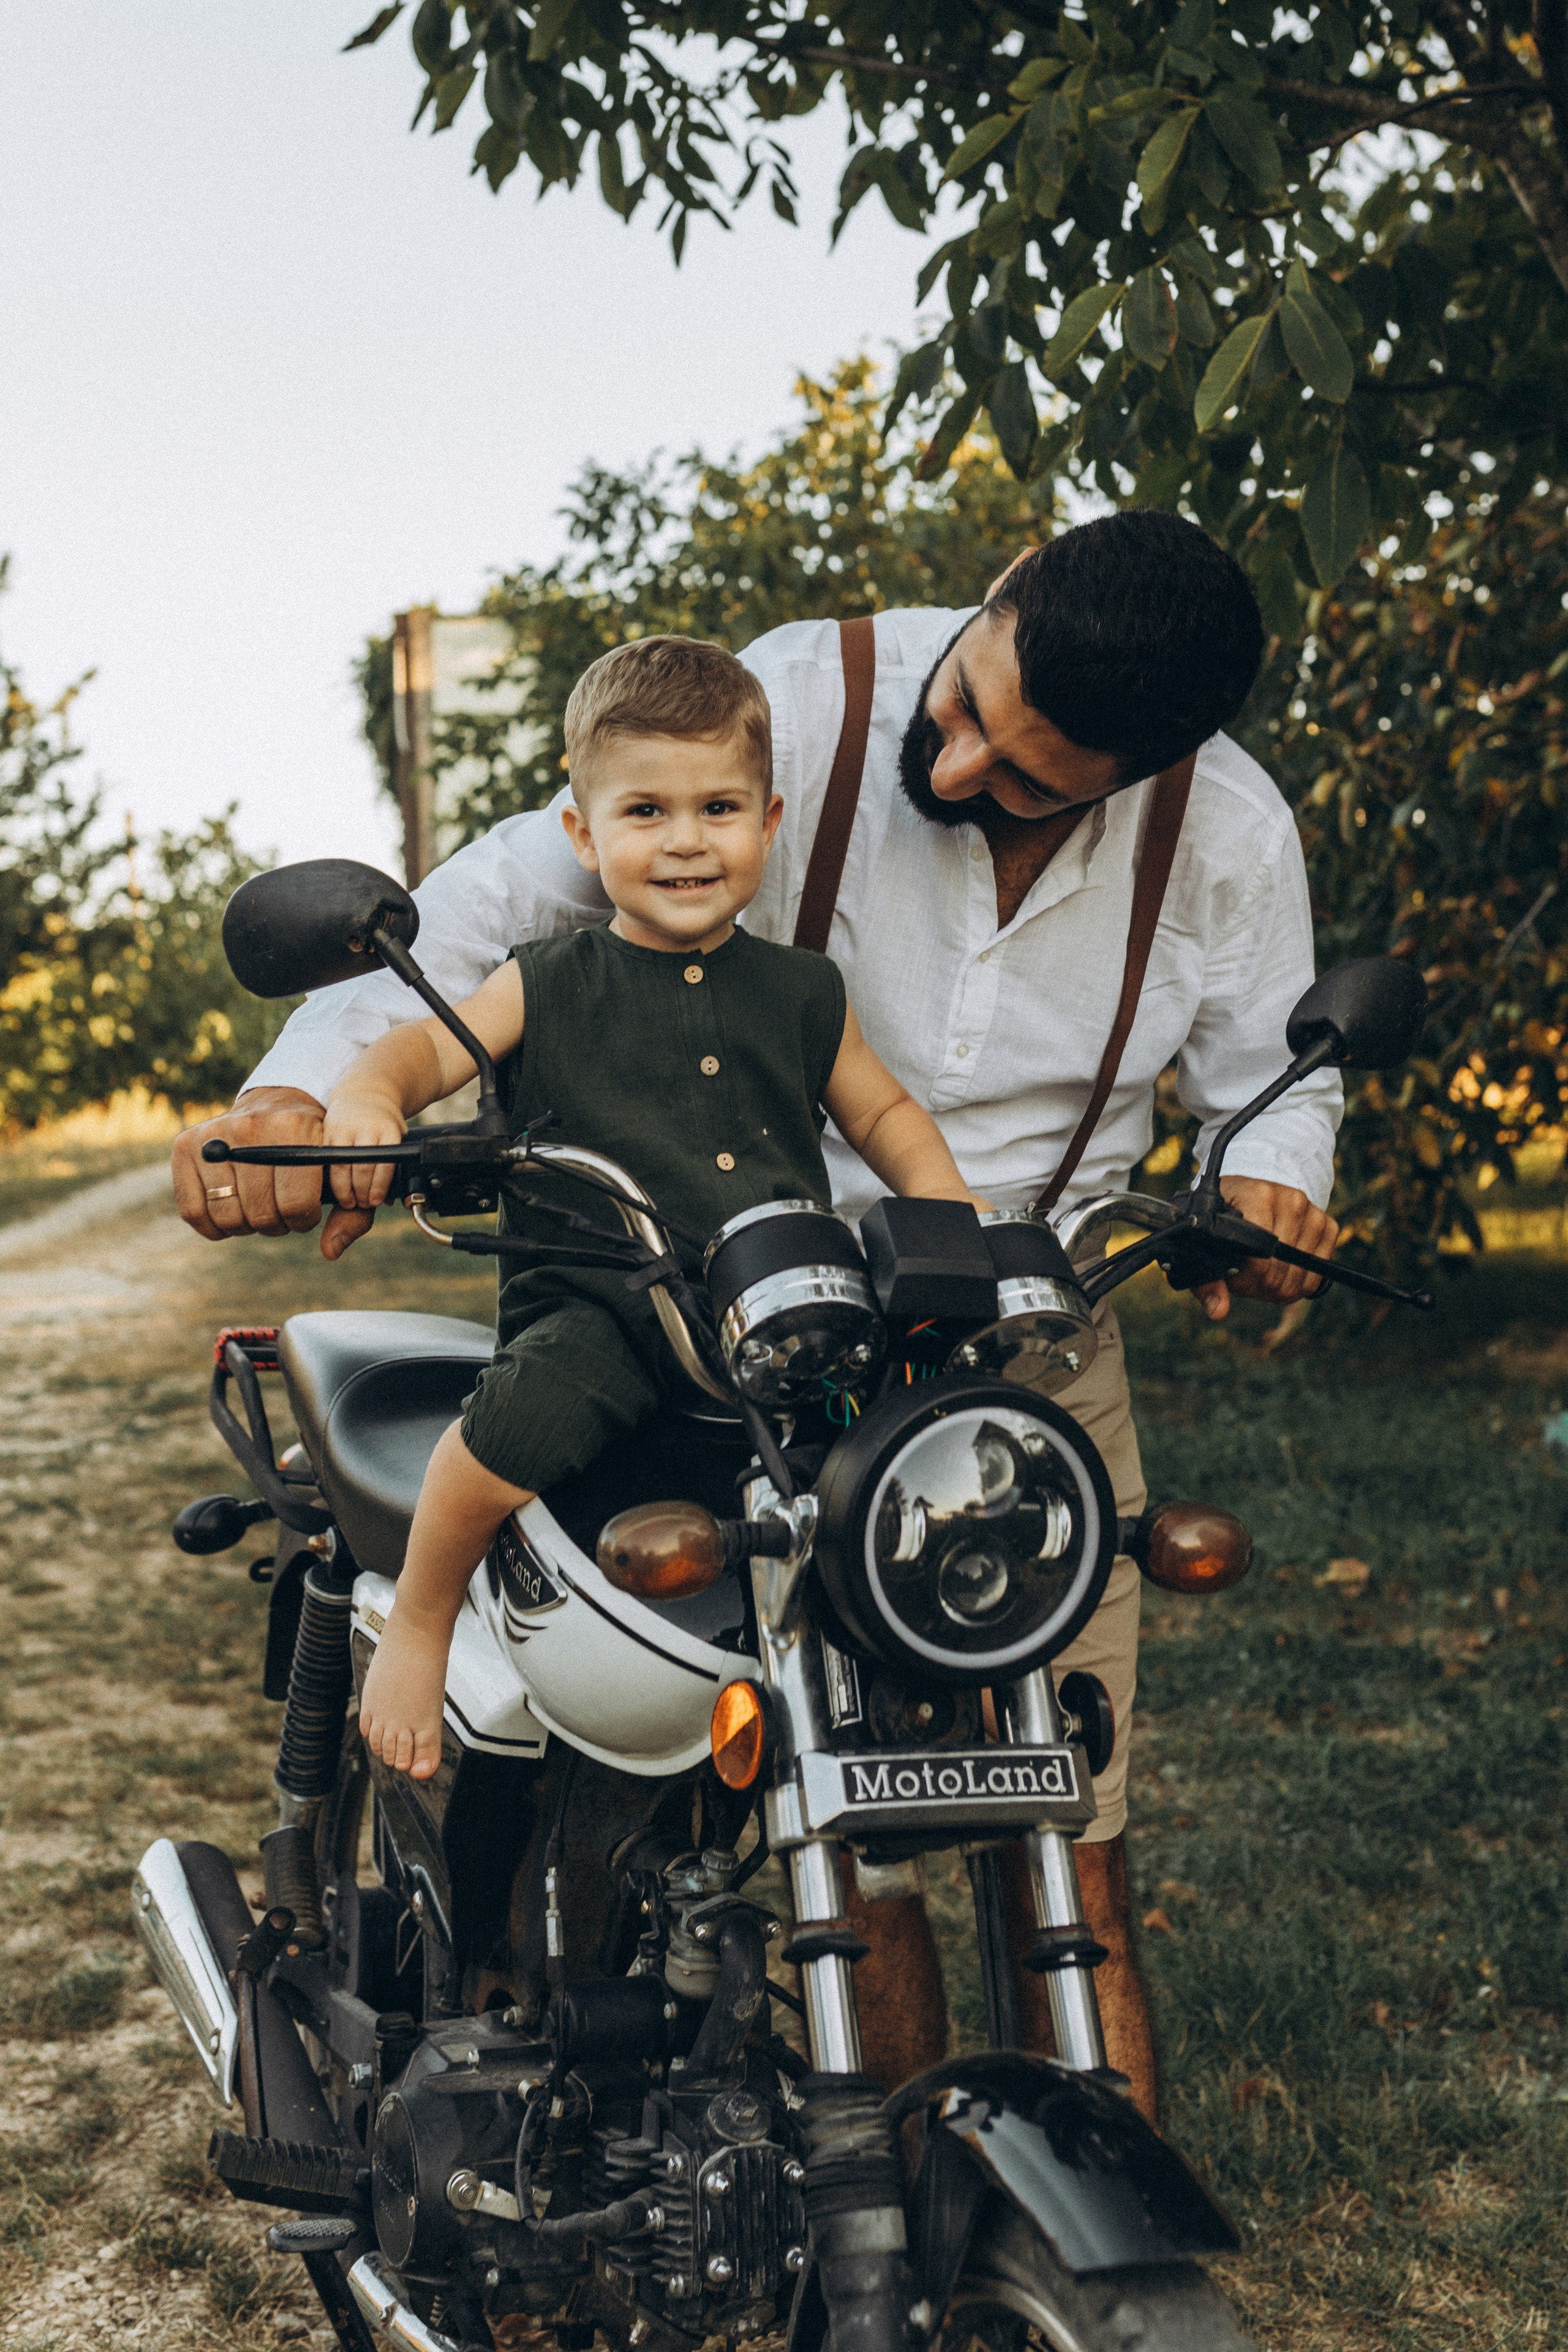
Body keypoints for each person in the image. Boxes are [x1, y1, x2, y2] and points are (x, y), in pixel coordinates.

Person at [174, 510, 1342, 2117]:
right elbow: (472, 923)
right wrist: (311, 1096)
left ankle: (1083, 2189)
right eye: (967, 703)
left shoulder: (1228, 836)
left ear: (1143, 771)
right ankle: (885, 2183)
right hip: (742, 1337)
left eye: (1024, 769)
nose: (961, 765)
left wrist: (1273, 1183)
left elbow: (1269, 1083)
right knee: (839, 1813)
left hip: (1017, 1346)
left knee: (1063, 1805)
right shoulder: (793, 704)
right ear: (997, 593)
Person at [326, 635, 984, 1783]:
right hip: (607, 1304)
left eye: (719, 807)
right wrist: (374, 1096)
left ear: (769, 823)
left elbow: (886, 1119)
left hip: (780, 1310)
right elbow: (425, 1048)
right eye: (646, 811)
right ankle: (426, 1619)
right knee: (508, 1434)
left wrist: (947, 1223)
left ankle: (916, 1667)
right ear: (584, 834)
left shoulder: (802, 989)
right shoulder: (549, 977)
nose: (687, 840)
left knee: (900, 1451)